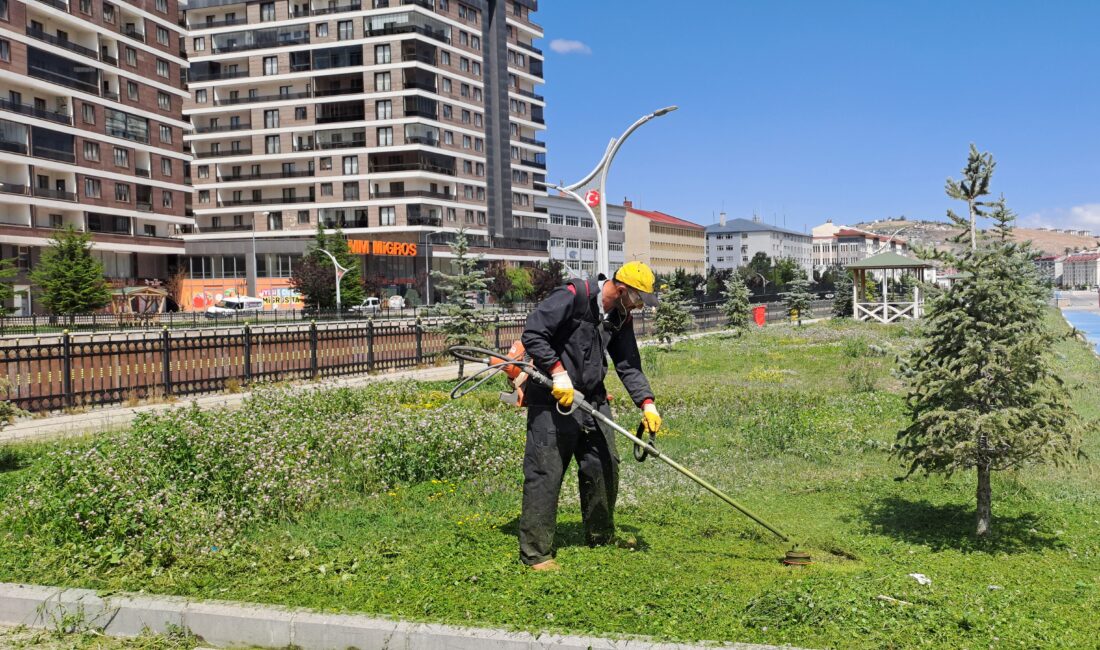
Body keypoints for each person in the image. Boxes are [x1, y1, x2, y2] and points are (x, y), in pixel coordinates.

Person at [519, 261, 663, 571]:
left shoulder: (619, 315)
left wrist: (646, 403)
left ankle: (601, 535)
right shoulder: (574, 296)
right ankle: (537, 554)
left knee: (604, 463)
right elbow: (533, 333)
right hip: (553, 398)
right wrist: (557, 373)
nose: (639, 307)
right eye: (639, 299)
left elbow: (628, 362)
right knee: (545, 472)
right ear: (622, 290)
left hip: (592, 398)